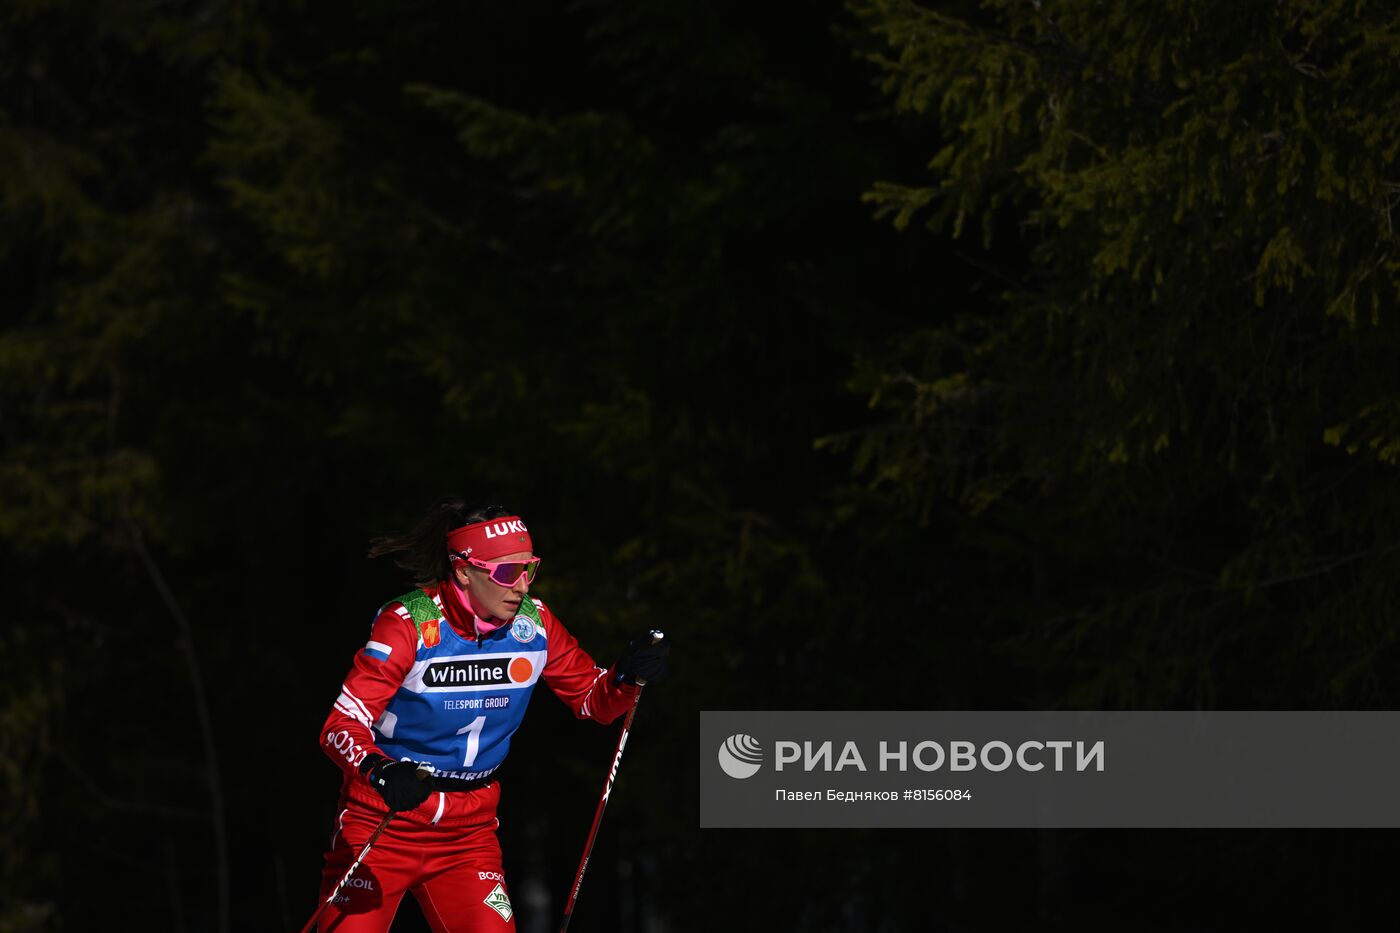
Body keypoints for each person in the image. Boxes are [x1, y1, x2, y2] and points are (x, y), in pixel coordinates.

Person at [313, 501, 669, 932]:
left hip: (468, 833)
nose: (520, 586)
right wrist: (381, 771)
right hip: (385, 821)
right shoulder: (409, 623)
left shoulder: (534, 625)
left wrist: (627, 676)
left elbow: (594, 701)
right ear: (464, 570)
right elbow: (340, 726)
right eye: (505, 572)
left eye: (528, 569)